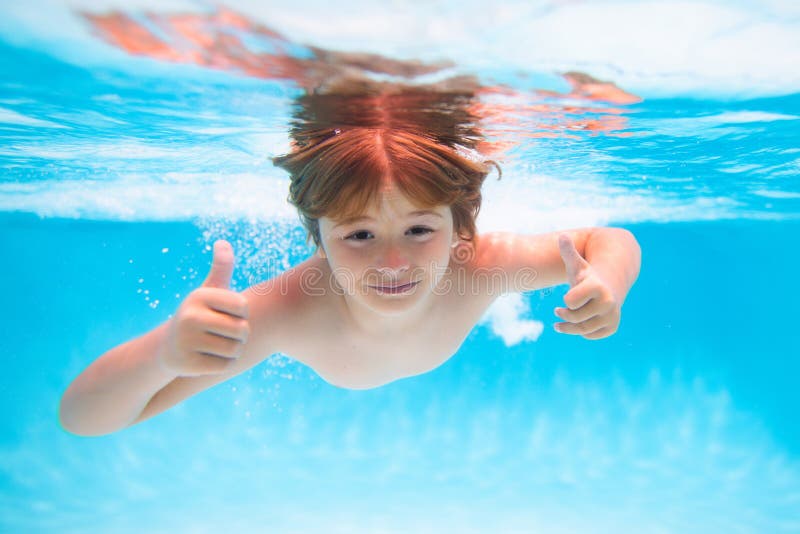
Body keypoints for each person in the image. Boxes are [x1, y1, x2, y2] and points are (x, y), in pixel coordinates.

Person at [59, 75, 641, 437]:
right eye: (359, 236)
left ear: (460, 223)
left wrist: (608, 282)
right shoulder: (284, 311)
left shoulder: (479, 263)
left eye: (419, 229)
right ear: (316, 237)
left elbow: (607, 239)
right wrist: (163, 353)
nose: (393, 262)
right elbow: (84, 418)